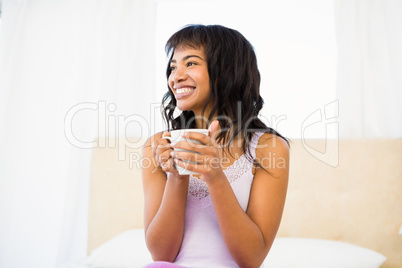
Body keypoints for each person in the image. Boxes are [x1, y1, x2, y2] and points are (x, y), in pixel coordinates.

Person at [142, 24, 289, 268]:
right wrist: (176, 177)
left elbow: (251, 259)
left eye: (190, 63)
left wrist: (215, 176)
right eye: (173, 66)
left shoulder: (268, 148)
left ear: (226, 71)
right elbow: (161, 256)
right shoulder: (158, 147)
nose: (175, 77)